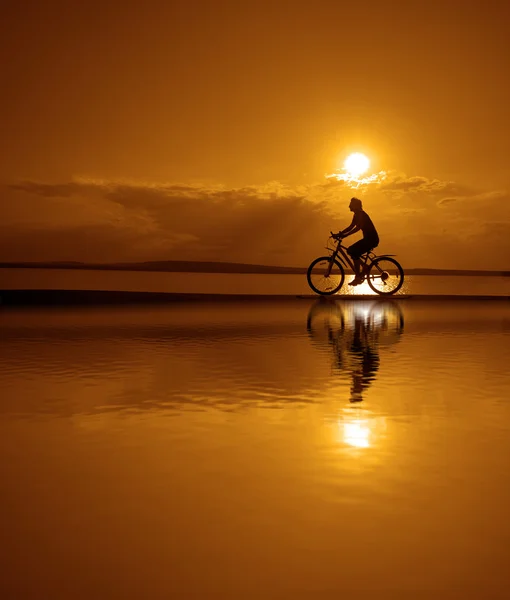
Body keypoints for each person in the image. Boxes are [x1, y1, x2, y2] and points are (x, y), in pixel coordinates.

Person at [334, 197, 379, 286]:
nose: (349, 206)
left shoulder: (361, 214)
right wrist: (340, 234)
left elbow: (358, 228)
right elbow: (351, 227)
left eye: (350, 204)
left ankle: (358, 277)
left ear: (355, 206)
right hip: (368, 239)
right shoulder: (356, 215)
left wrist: (345, 235)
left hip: (371, 239)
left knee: (352, 251)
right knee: (350, 251)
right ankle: (363, 268)